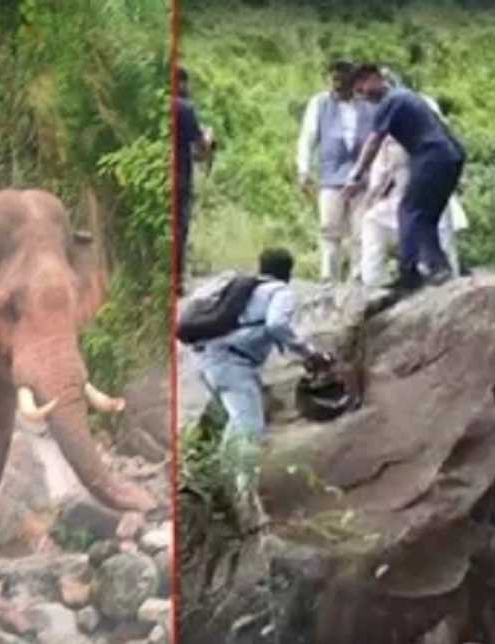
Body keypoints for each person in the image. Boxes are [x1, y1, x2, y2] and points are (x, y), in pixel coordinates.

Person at [190, 248, 329, 528]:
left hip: (208, 361)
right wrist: (308, 353)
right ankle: (245, 504)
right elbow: (277, 324)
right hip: (234, 365)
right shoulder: (280, 292)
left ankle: (217, 485)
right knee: (250, 430)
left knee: (236, 425)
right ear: (288, 272)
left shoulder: (244, 289)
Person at [343, 64, 467, 294]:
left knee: (409, 211)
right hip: (451, 156)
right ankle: (439, 268)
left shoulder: (392, 99)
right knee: (425, 217)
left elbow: (373, 143)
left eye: (363, 88)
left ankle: (408, 273)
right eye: (358, 94)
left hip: (432, 155)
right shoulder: (407, 96)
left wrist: (356, 175)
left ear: (376, 78)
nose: (363, 96)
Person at [297, 60, 376, 283]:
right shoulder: (319, 103)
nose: (337, 84)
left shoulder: (368, 106)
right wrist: (303, 170)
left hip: (362, 178)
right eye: (334, 79)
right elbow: (307, 137)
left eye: (342, 79)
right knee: (329, 228)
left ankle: (359, 276)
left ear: (353, 81)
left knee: (361, 230)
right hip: (331, 176)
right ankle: (328, 276)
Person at [173, 67, 214, 295]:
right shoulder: (185, 108)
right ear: (181, 83)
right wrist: (208, 137)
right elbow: (200, 149)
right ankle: (176, 281)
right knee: (179, 226)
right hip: (179, 175)